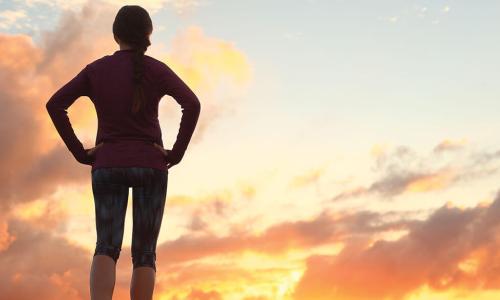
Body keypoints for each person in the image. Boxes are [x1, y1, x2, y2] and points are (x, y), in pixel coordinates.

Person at [45, 5, 201, 300]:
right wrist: (175, 153)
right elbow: (192, 104)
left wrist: (81, 152)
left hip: (107, 165)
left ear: (116, 34)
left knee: (106, 245)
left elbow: (55, 104)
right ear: (148, 35)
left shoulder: (97, 70)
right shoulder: (157, 69)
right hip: (151, 167)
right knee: (145, 253)